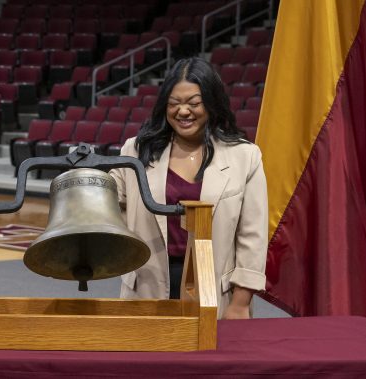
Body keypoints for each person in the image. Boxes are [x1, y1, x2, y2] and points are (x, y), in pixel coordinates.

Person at [110, 57, 268, 319]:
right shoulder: (135, 150)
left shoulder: (245, 156)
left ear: (212, 103)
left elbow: (252, 237)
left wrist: (240, 303)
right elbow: (108, 201)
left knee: (208, 359)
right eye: (174, 104)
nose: (183, 111)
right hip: (147, 287)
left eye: (194, 103)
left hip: (215, 290)